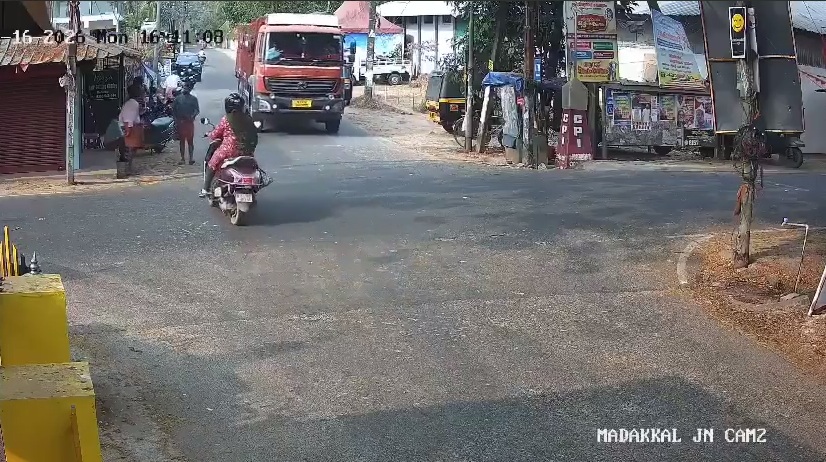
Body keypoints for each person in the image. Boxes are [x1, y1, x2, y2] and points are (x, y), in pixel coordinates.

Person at [200, 93, 259, 197]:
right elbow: (254, 136)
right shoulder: (248, 119)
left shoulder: (226, 119)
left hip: (229, 151)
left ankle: (205, 189)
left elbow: (215, 134)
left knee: (212, 163)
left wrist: (209, 134)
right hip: (247, 152)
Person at [172, 83, 200, 165]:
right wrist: (176, 120)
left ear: (190, 89)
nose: (185, 89)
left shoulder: (193, 99)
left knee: (190, 141)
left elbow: (197, 110)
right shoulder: (178, 99)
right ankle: (182, 158)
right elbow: (173, 110)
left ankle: (191, 158)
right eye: (184, 87)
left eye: (187, 88)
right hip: (181, 122)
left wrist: (192, 116)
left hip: (189, 122)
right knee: (182, 141)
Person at [118, 84, 144, 166]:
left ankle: (129, 165)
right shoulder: (133, 104)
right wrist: (128, 130)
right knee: (130, 148)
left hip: (129, 126)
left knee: (131, 148)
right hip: (129, 127)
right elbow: (128, 119)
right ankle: (128, 166)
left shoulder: (130, 103)